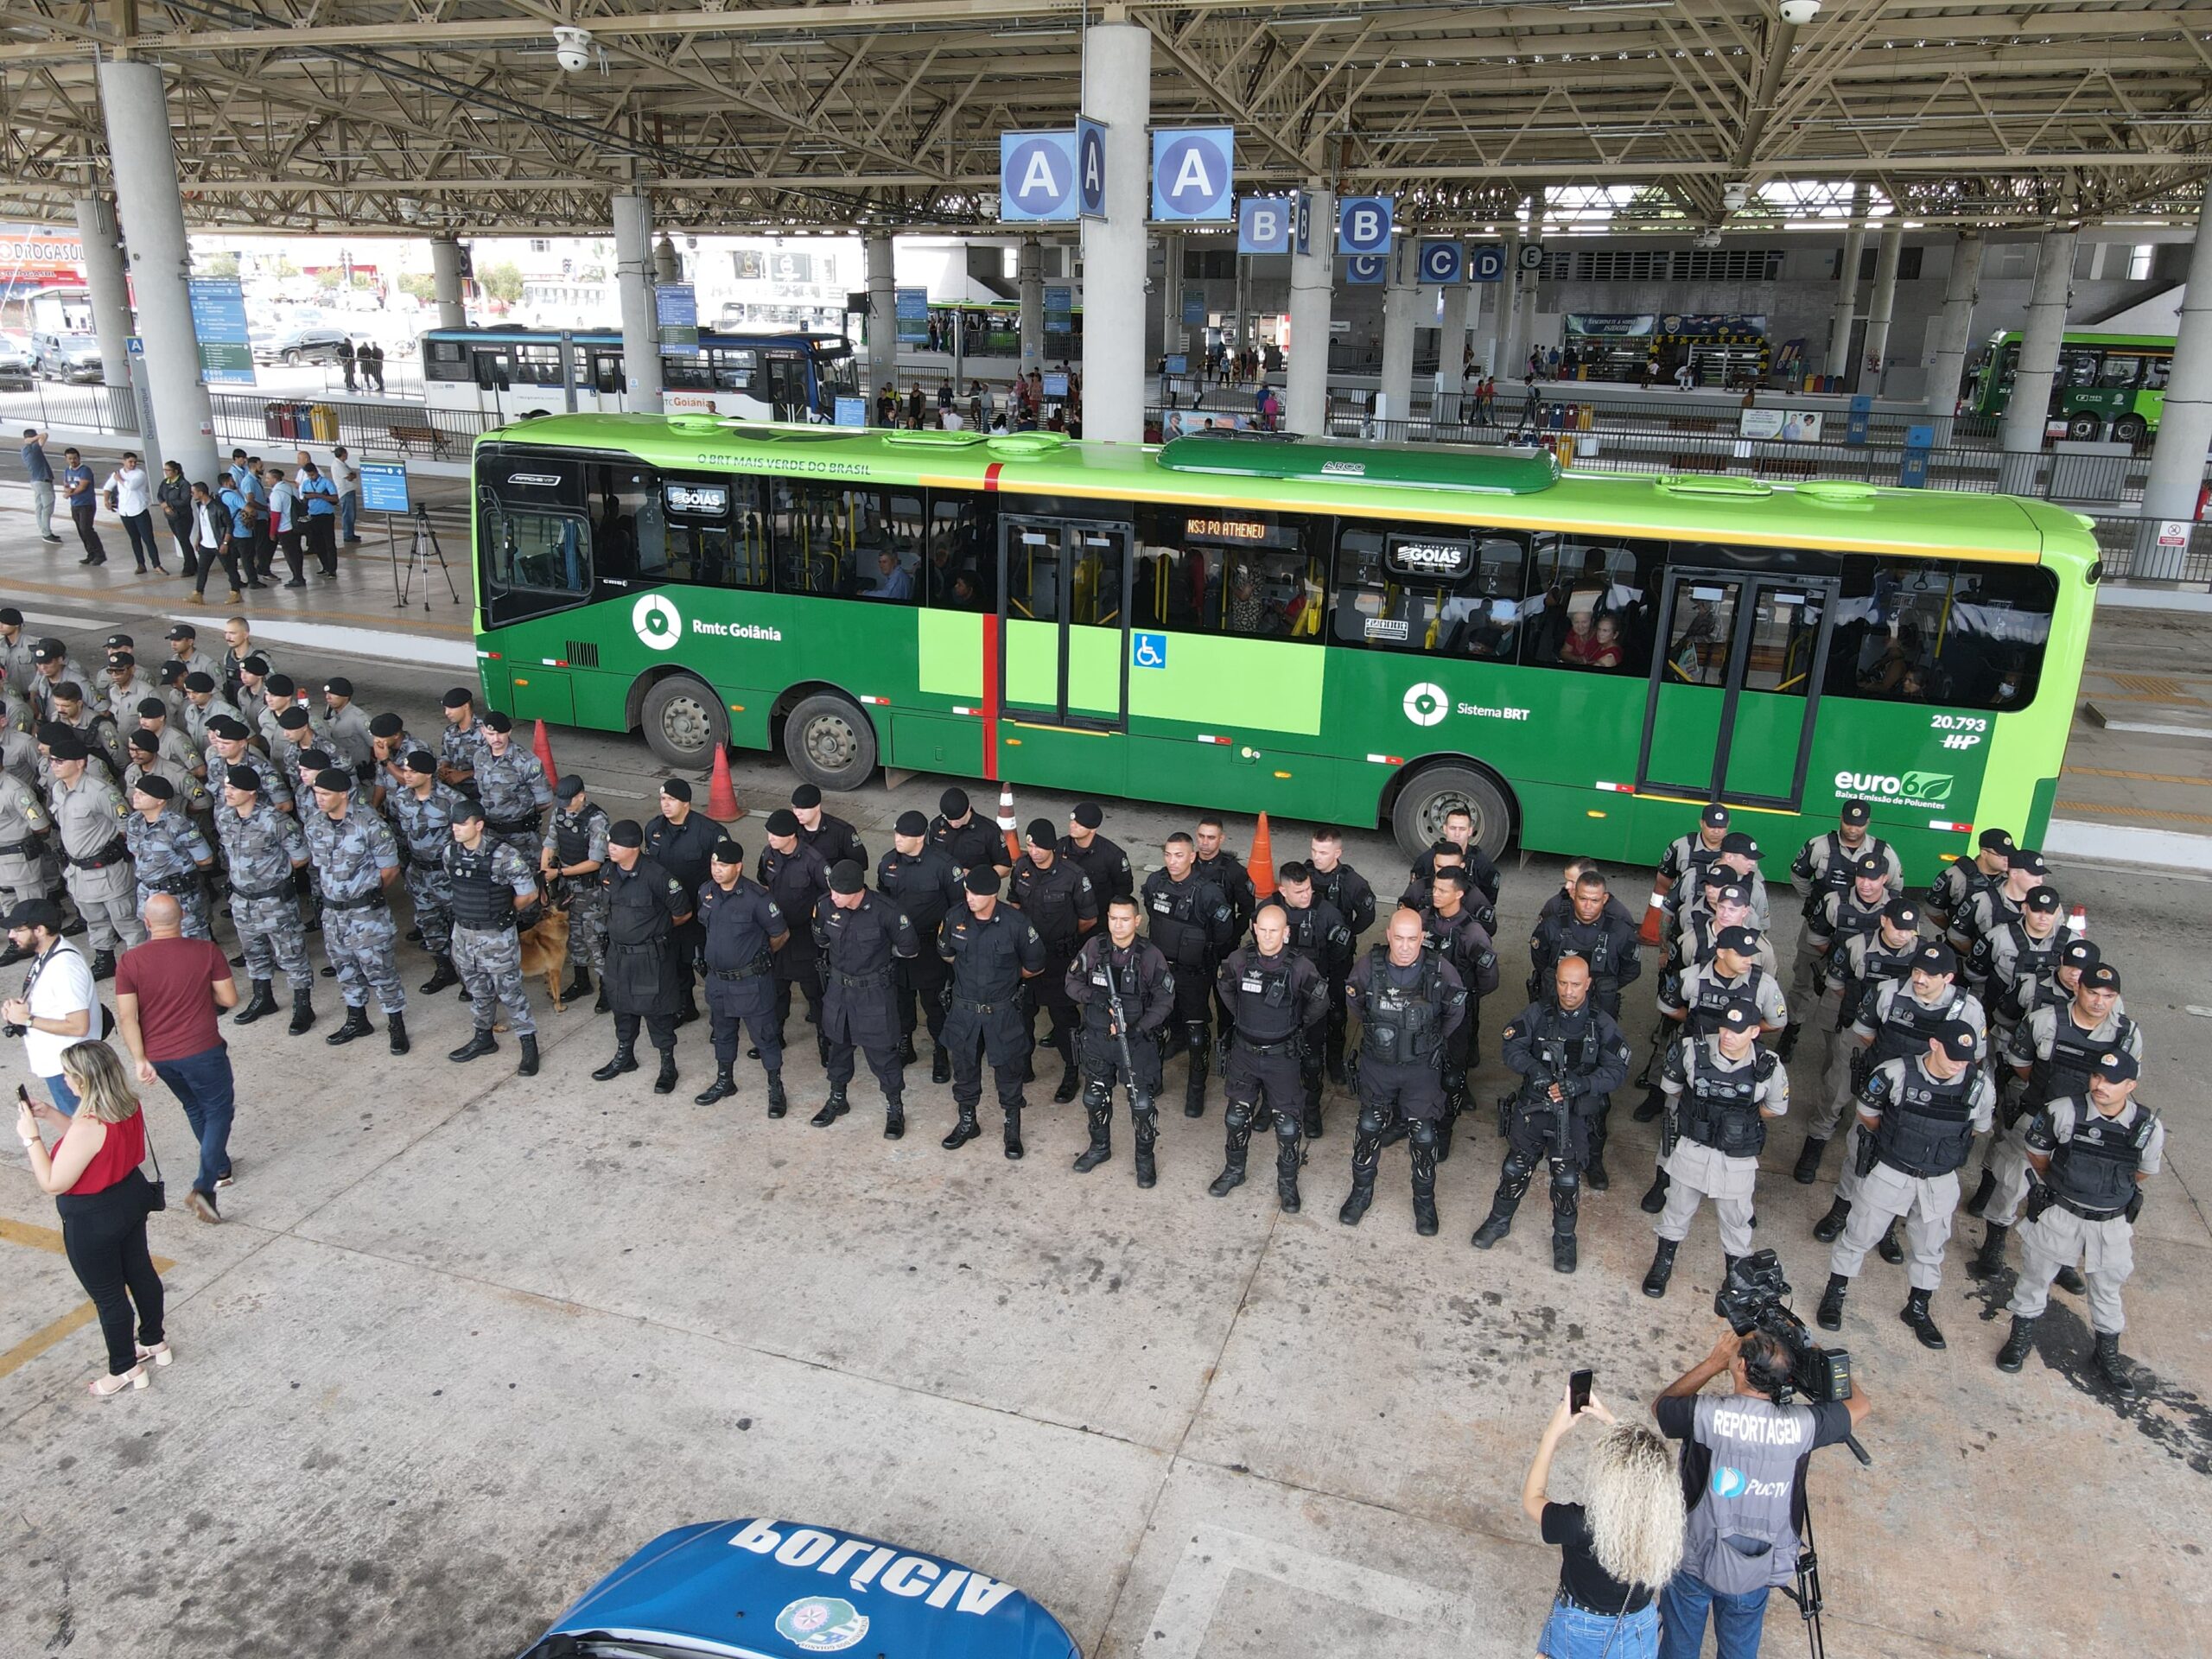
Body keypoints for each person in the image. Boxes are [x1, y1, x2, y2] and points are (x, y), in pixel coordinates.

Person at [1652, 1325, 1872, 1659]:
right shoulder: (1803, 1426)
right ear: (1785, 1379)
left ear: (1740, 1366)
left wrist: (1713, 1363)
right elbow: (1861, 1405)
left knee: (1679, 1649)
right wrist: (1815, 1351)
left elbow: (1663, 1407)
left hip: (1693, 1559)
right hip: (1757, 1569)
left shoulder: (1708, 1414)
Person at [1815, 1020, 1995, 1349]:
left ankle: (1917, 1307)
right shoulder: (1894, 1073)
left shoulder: (1980, 1085)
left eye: (1965, 1058)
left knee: (1930, 1249)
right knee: (1858, 1236)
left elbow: (1977, 1129)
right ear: (1934, 1044)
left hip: (1939, 1180)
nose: (1959, 1064)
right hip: (1891, 1171)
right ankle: (1835, 1294)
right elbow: (1868, 1115)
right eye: (1953, 1055)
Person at [1997, 1048, 2158, 1396]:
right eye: (2098, 1077)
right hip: (2062, 1212)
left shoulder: (2146, 1125)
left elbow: (2142, 1172)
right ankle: (2020, 1337)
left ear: (2130, 1085)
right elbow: (2038, 1155)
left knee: (2107, 1288)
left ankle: (2106, 1353)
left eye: (2112, 1081)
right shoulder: (2063, 1111)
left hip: (2110, 1222)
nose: (2101, 1086)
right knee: (2035, 1276)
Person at [16, 1039, 168, 1395]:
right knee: (141, 1272)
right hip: (130, 1198)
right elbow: (93, 1145)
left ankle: (124, 1369)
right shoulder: (125, 1104)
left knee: (109, 1297)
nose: (65, 1080)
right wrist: (52, 1114)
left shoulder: (89, 1125)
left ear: (83, 1081)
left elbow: (53, 1182)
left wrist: (31, 1139)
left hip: (93, 1219)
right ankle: (155, 1343)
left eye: (69, 1075)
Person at [1810, 940, 1983, 1253]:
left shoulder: (1968, 1009)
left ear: (1948, 978)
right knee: (1860, 1151)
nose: (1919, 979)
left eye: (1930, 975)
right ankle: (1841, 1210)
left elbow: (1972, 1058)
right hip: (1886, 1087)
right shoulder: (1889, 992)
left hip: (1925, 1104)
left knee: (1904, 1166)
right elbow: (1865, 1032)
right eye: (1917, 971)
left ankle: (1887, 1230)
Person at [1476, 956, 1630, 1270]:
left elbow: (1617, 1069)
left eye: (1576, 984)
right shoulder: (1538, 1014)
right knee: (1515, 1168)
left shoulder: (1601, 1023)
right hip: (1536, 1106)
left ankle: (1564, 1240)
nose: (1569, 991)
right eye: (1563, 983)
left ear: (1587, 984)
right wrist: (1535, 1070)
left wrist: (1582, 1084)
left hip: (1572, 1114)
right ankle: (1498, 1221)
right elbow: (1511, 1046)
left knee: (1567, 1179)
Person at [1642, 1001, 1789, 1302]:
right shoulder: (1691, 1050)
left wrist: (1737, 1121)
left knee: (1737, 1218)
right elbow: (1672, 1087)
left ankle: (1735, 1274)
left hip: (1736, 1156)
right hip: (1693, 1147)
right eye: (1724, 1027)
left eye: (1737, 1031)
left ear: (1754, 1032)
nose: (1727, 1035)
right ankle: (1663, 1263)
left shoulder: (1769, 1064)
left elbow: (1775, 1107)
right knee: (1676, 1208)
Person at [1522, 1383, 1682, 1659]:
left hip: (1581, 1627)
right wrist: (1611, 1420)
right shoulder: (1664, 1519)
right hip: (1638, 1628)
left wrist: (1553, 1433)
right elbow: (1645, 1467)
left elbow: (1532, 1498)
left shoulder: (1581, 1525)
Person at [1340, 907, 1469, 1234]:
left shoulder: (1439, 968)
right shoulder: (1370, 965)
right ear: (1388, 936)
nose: (1406, 946)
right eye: (1399, 938)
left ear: (1422, 938)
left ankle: (1424, 1203)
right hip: (1378, 1066)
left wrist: (1428, 1040)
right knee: (1369, 1128)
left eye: (1413, 939)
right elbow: (1356, 1004)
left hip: (1420, 1069)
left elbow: (1455, 1010)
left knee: (1424, 1137)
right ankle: (1360, 1194)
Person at [111, 893, 237, 1223]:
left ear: (147, 922)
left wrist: (140, 1060)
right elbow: (230, 998)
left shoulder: (130, 962)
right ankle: (205, 1186)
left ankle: (221, 1165)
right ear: (182, 917)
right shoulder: (206, 951)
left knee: (194, 1107)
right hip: (204, 1050)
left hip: (160, 1057)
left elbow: (127, 1018)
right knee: (218, 1110)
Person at [1210, 902, 1329, 1210]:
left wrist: (1295, 1024)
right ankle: (1234, 1170)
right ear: (1254, 929)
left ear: (1286, 933)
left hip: (1282, 1057)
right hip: (1244, 1052)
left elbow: (1319, 1001)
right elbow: (1224, 988)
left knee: (1288, 1125)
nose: (1266, 936)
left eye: (1273, 930)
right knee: (1236, 1117)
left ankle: (1287, 1184)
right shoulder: (1239, 960)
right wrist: (1244, 1018)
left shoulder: (1301, 966)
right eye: (1261, 929)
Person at [1065, 894, 1175, 1185]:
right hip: (1098, 1039)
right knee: (1094, 1097)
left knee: (1141, 1104)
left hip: (1136, 1043)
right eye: (1113, 918)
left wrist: (1138, 1028)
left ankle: (1144, 1159)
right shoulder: (1095, 947)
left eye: (1125, 919)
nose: (1118, 925)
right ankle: (1100, 1147)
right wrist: (1094, 998)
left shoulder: (1151, 955)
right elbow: (1071, 982)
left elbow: (1165, 1001)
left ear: (1137, 921)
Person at [938, 868, 1047, 1157]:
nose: (970, 899)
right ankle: (967, 1121)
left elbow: (1035, 965)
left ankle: (1012, 1128)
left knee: (1010, 1072)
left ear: (993, 895)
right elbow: (947, 953)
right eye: (967, 892)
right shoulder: (955, 917)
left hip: (1002, 1012)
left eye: (976, 894)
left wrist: (1006, 981)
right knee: (964, 1070)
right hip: (964, 1010)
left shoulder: (1016, 923)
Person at [1780, 800, 1902, 1060]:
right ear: (1841, 819)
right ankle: (1791, 1030)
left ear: (1868, 823)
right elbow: (1799, 875)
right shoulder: (1820, 845)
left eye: (1859, 824)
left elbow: (1895, 891)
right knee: (1803, 982)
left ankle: (1843, 1038)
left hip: (1863, 936)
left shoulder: (1883, 852)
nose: (1853, 829)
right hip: (1821, 925)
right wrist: (1815, 902)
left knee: (1856, 989)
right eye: (1848, 822)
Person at [302, 767, 408, 1055]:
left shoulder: (369, 824)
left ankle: (396, 1025)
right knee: (344, 969)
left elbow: (389, 869)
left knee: (381, 971)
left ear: (343, 794)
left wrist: (365, 893)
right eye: (317, 793)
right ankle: (357, 1018)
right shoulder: (314, 825)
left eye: (325, 794)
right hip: (333, 914)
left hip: (366, 915)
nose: (319, 799)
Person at [812, 858, 918, 1135]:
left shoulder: (886, 912)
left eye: (839, 892)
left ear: (857, 890)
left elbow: (909, 948)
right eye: (831, 890)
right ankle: (838, 1098)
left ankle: (894, 1107)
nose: (833, 896)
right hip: (838, 991)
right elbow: (822, 938)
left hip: (873, 994)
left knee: (882, 1053)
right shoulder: (825, 905)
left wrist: (882, 959)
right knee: (837, 1046)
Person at [1141, 831, 1238, 1119]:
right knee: (1155, 1026)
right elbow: (1150, 910)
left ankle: (1196, 1089)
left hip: (1193, 972)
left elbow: (1224, 932)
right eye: (1168, 855)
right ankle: (1154, 1079)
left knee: (1197, 1034)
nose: (1172, 861)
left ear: (1192, 856)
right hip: (1160, 969)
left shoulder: (1207, 891)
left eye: (1179, 855)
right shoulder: (1155, 882)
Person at [213, 762, 316, 1034]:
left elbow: (301, 856)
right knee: (253, 953)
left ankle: (303, 1006)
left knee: (291, 954)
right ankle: (263, 998)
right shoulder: (226, 817)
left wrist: (273, 875)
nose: (228, 792)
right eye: (226, 787)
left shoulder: (275, 820)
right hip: (242, 900)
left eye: (233, 788)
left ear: (251, 791)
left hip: (274, 901)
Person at [442, 800, 543, 1076]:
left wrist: (504, 911)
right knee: (478, 992)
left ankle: (528, 1045)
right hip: (464, 936)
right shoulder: (451, 852)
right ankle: (483, 1037)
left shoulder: (504, 856)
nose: (456, 829)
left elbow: (529, 894)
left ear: (479, 825)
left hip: (496, 938)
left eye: (462, 824)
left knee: (511, 993)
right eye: (454, 824)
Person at [594, 819, 692, 1093]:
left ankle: (667, 1065)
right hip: (617, 954)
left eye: (616, 844)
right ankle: (625, 1056)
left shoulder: (658, 876)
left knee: (657, 1012)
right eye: (610, 842)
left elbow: (682, 912)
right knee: (621, 1006)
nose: (610, 848)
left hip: (649, 956)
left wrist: (652, 931)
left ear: (634, 847)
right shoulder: (609, 872)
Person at [692, 837, 788, 1114]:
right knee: (722, 1034)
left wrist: (757, 959)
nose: (717, 869)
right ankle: (725, 1081)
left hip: (751, 983)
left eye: (723, 864)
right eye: (713, 863)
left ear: (738, 867)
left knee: (765, 1037)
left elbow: (780, 934)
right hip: (718, 981)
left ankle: (775, 1088)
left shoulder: (757, 898)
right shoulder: (706, 892)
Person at [1007, 818, 1099, 1103]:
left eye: (1039, 846)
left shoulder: (1073, 875)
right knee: (1022, 1015)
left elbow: (1089, 919)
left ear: (1052, 847)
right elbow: (1014, 904)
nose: (1033, 851)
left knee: (1064, 1020)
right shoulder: (1022, 868)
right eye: (1030, 844)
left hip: (1060, 958)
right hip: (1028, 956)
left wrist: (1064, 938)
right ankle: (1024, 1067)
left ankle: (1072, 1071)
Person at [48, 728, 143, 976]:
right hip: (79, 870)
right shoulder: (58, 789)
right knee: (95, 920)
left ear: (80, 763)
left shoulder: (101, 792)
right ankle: (105, 959)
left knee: (126, 920)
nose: (54, 765)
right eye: (52, 760)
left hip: (109, 869)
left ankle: (139, 965)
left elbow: (127, 826)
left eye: (60, 761)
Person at [876, 810, 963, 1084]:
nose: (898, 839)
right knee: (901, 1001)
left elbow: (959, 907)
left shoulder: (943, 865)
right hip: (898, 948)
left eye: (904, 835)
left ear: (920, 838)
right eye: (896, 833)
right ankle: (906, 1046)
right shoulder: (888, 863)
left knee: (935, 1004)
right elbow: (884, 899)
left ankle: (940, 1052)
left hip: (930, 947)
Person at [4, 898, 98, 1110]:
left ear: (39, 930)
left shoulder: (64, 966)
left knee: (86, 1133)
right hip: (60, 1067)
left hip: (70, 1071)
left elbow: (78, 1026)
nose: (11, 936)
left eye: (18, 930)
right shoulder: (47, 955)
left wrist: (27, 1019)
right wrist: (19, 1008)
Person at [645, 778, 721, 1022]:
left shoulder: (710, 833)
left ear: (686, 803)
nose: (665, 805)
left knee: (709, 967)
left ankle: (720, 1018)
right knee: (676, 965)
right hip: (671, 914)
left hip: (701, 915)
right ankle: (686, 1008)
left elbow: (725, 873)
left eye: (671, 800)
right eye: (663, 799)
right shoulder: (654, 829)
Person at [542, 774, 610, 1008]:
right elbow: (550, 844)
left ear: (581, 796)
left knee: (595, 938)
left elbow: (595, 862)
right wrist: (544, 873)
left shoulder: (596, 819)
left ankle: (607, 989)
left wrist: (559, 873)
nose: (564, 807)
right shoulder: (561, 812)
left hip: (590, 890)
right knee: (574, 937)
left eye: (569, 801)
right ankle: (582, 981)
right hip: (567, 888)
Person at [124, 774, 214, 939]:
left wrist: (179, 867)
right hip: (148, 894)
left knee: (191, 944)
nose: (135, 797)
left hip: (178, 896)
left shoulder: (179, 825)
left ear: (160, 800)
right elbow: (136, 852)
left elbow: (205, 859)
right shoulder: (134, 822)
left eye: (142, 794)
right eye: (136, 792)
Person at [927, 785, 1007, 880]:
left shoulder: (988, 830)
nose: (953, 824)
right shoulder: (936, 826)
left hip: (973, 888)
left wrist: (976, 876)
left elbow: (1005, 868)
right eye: (949, 820)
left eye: (958, 820)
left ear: (968, 808)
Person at [104, 452, 162, 574]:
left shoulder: (140, 474)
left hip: (139, 510)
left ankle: (156, 564)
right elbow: (108, 487)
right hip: (125, 511)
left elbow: (131, 486)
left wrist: (119, 479)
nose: (133, 464)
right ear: (124, 461)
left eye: (135, 462)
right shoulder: (118, 473)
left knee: (148, 539)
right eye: (130, 462)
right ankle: (140, 564)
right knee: (134, 539)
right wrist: (106, 500)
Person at [790, 783, 866, 870]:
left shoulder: (842, 831)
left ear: (817, 807)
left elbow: (858, 866)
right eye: (795, 808)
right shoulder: (790, 829)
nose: (797, 813)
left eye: (803, 808)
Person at [60, 446, 104, 564]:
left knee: (86, 529)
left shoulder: (85, 470)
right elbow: (66, 484)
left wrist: (70, 493)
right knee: (81, 530)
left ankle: (100, 554)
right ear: (66, 459)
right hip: (75, 505)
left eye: (75, 458)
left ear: (79, 458)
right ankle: (91, 553)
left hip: (86, 504)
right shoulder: (67, 471)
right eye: (70, 458)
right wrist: (68, 490)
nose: (72, 461)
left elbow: (83, 486)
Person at [298, 459, 340, 577]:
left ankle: (332, 569)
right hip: (313, 516)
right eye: (309, 475)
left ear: (316, 472)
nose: (311, 477)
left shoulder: (327, 483)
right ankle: (325, 566)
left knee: (329, 543)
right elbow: (304, 498)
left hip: (326, 515)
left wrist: (318, 495)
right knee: (318, 543)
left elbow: (335, 499)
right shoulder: (306, 483)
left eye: (312, 474)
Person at [22, 427, 60, 544]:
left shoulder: (24, 450)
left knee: (39, 507)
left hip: (35, 481)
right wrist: (34, 438)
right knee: (47, 508)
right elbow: (44, 435)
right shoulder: (34, 448)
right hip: (43, 482)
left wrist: (30, 440)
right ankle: (47, 534)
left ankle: (44, 530)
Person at [332, 444, 361, 544]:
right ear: (343, 454)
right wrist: (353, 475)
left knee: (351, 514)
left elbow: (352, 474)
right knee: (348, 514)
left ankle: (350, 533)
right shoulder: (338, 465)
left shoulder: (342, 464)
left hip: (349, 490)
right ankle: (348, 535)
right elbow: (349, 476)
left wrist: (353, 475)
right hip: (345, 492)